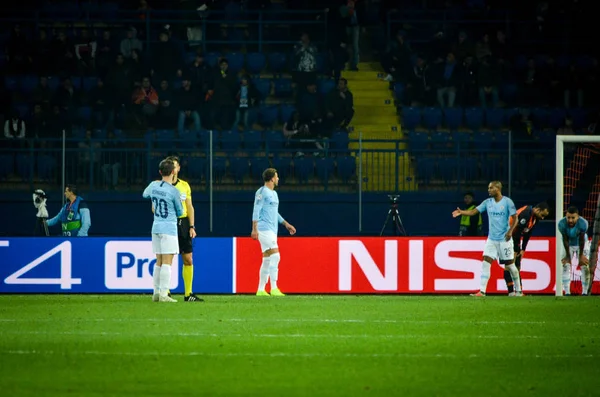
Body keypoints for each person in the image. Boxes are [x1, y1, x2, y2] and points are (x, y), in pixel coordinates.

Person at [452, 181, 521, 296]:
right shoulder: (487, 202)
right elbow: (474, 211)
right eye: (488, 188)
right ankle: (482, 291)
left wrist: (510, 231)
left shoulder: (507, 202)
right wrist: (462, 212)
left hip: (505, 239)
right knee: (486, 262)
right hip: (492, 239)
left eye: (491, 188)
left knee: (510, 265)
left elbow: (515, 218)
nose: (488, 190)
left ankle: (518, 290)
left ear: (498, 188)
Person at [142, 159, 184, 303]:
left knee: (158, 261)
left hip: (156, 227)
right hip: (169, 228)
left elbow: (145, 195)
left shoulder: (153, 185)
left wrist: (155, 201)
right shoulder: (174, 191)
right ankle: (164, 294)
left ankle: (155, 292)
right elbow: (180, 211)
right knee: (167, 261)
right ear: (173, 172)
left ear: (160, 172)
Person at [252, 168, 296, 296]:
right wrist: (254, 228)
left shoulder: (274, 194)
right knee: (276, 256)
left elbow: (274, 212)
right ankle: (274, 287)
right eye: (276, 177)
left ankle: (260, 290)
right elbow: (256, 210)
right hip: (263, 228)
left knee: (266, 259)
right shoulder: (261, 192)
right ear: (272, 178)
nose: (278, 179)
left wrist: (286, 224)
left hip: (272, 230)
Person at [164, 155, 203, 302]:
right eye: (170, 166)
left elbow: (189, 206)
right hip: (169, 223)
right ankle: (165, 291)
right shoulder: (162, 186)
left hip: (183, 223)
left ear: (178, 168)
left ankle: (188, 294)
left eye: (175, 166)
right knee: (169, 258)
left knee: (188, 259)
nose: (173, 169)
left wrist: (192, 226)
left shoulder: (184, 185)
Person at [504, 202, 550, 295]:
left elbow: (528, 234)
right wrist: (517, 249)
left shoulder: (535, 219)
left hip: (514, 239)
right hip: (507, 238)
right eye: (542, 215)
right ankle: (511, 292)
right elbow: (516, 231)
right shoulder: (526, 214)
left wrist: (523, 249)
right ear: (537, 209)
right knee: (509, 265)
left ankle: (518, 291)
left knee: (516, 265)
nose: (542, 218)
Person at [558, 206, 590, 295]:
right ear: (566, 216)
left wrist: (581, 256)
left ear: (578, 217)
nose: (570, 220)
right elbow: (565, 239)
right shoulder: (561, 224)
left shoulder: (583, 223)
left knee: (584, 266)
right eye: (568, 217)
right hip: (568, 243)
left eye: (573, 218)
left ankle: (584, 292)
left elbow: (581, 240)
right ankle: (567, 292)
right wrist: (568, 256)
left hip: (581, 243)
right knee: (566, 265)